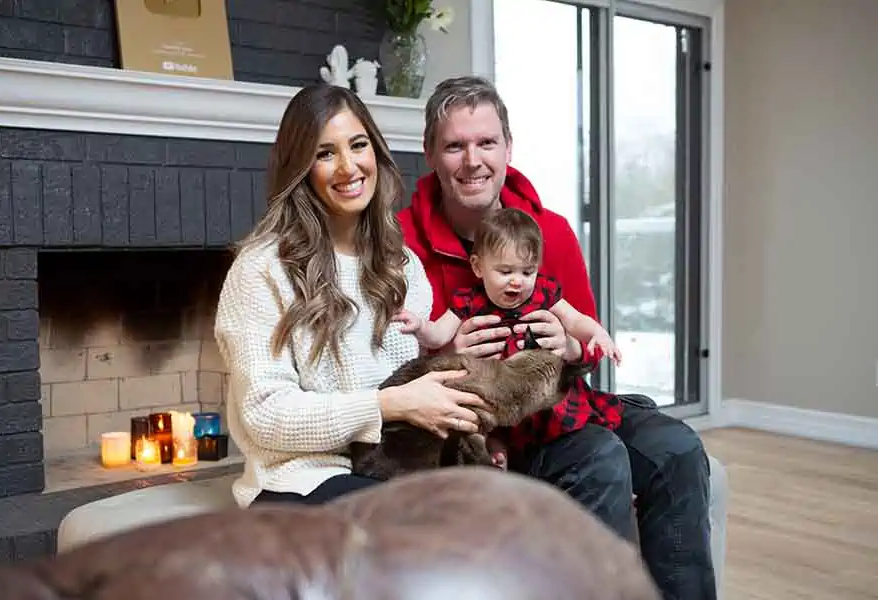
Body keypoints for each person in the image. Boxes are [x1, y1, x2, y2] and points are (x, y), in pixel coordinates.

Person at [398, 75, 717, 600]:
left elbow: (585, 347)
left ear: (508, 148)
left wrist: (569, 348)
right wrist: (446, 351)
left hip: (561, 403)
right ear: (431, 153)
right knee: (598, 456)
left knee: (677, 448)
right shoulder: (401, 240)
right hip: (479, 422)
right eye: (454, 145)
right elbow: (393, 358)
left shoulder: (553, 231)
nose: (472, 160)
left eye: (486, 142)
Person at [213, 83, 490, 508]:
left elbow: (421, 393)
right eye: (325, 154)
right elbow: (264, 418)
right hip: (297, 481)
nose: (348, 167)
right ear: (301, 168)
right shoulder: (261, 269)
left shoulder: (401, 266)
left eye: (357, 145)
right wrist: (385, 405)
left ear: (374, 152)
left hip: (391, 469)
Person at [394, 206, 621, 365]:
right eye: (505, 271)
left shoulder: (543, 292)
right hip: (493, 386)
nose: (517, 280)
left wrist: (597, 333)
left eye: (527, 271)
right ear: (478, 267)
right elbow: (438, 335)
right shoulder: (469, 300)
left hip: (537, 388)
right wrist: (420, 327)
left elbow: (575, 320)